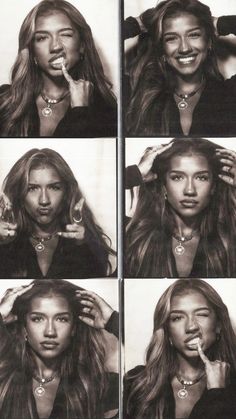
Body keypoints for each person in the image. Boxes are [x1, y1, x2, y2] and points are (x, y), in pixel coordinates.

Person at [0, 279, 119, 419]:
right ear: (24, 326)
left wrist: (112, 320)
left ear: (73, 328)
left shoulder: (102, 385)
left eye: (62, 319)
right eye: (37, 319)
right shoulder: (3, 381)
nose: (50, 332)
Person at [0, 0, 117, 137]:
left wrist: (80, 110)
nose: (55, 47)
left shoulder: (104, 110)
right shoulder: (4, 101)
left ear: (82, 45)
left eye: (66, 35)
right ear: (31, 51)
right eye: (42, 38)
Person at [124, 278, 236, 419]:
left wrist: (217, 393)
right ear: (167, 332)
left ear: (218, 325)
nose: (191, 327)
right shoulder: (137, 383)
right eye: (177, 318)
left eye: (202, 314)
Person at [125, 138, 236, 277]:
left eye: (201, 178)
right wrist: (134, 174)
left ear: (213, 186)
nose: (190, 190)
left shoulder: (230, 237)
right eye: (177, 177)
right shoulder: (135, 236)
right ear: (164, 185)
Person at [124, 0, 236, 136]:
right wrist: (138, 23)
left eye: (194, 35)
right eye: (171, 38)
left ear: (209, 42)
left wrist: (220, 24)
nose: (184, 48)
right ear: (161, 49)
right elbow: (103, 37)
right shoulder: (136, 96)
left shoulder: (230, 94)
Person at [0, 147, 115, 278]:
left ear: (67, 192)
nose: (44, 200)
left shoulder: (86, 243)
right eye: (32, 188)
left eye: (54, 187)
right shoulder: (5, 241)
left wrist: (83, 246)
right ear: (19, 193)